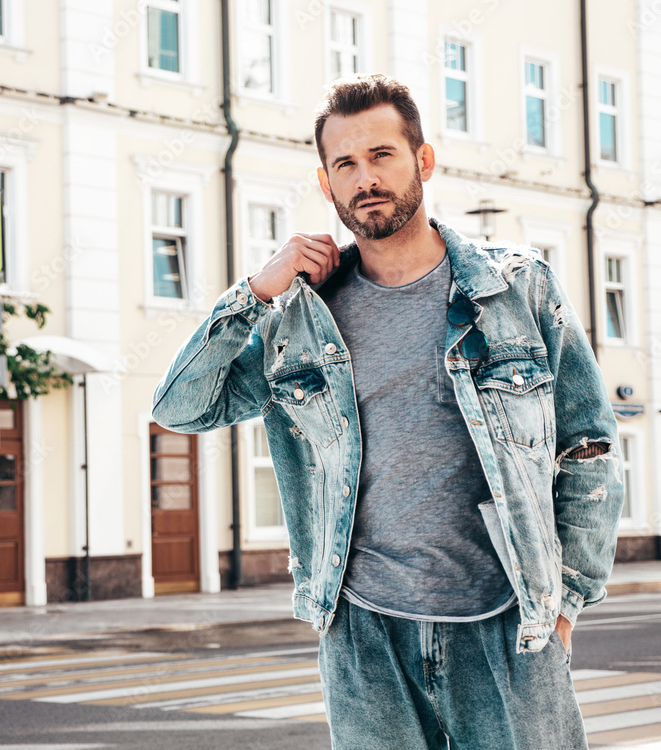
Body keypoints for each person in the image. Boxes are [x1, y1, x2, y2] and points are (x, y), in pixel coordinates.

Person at [152, 73, 625, 749]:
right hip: (364, 639)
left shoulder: (516, 288)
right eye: (345, 163)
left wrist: (566, 604)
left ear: (423, 161)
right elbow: (182, 407)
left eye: (381, 155)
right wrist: (255, 292)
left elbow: (589, 446)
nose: (364, 178)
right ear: (326, 183)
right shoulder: (298, 322)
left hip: (506, 625)